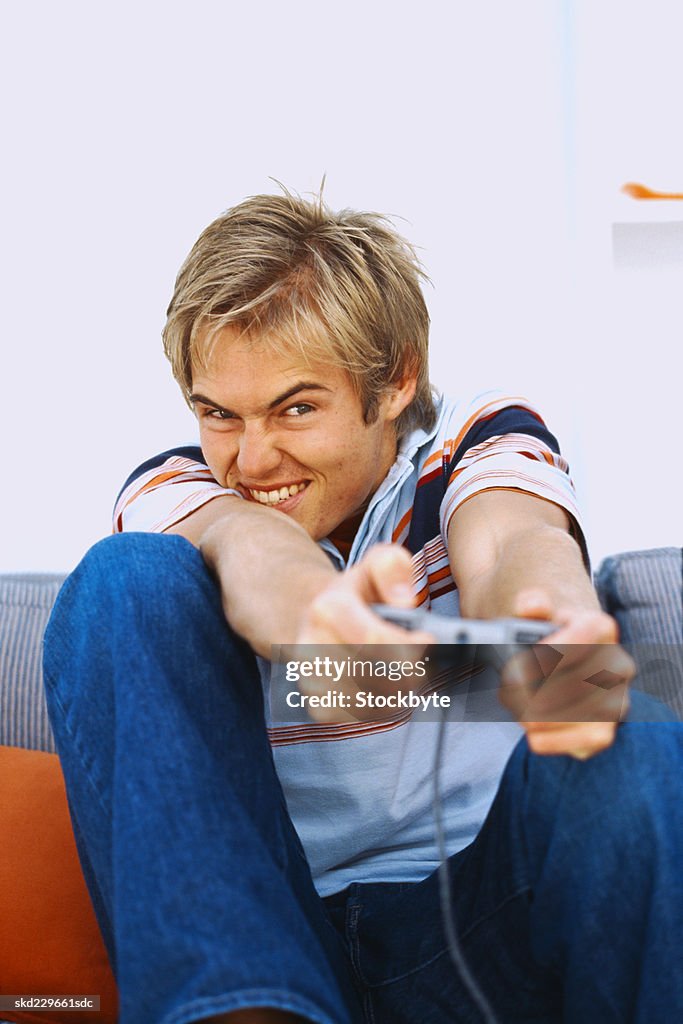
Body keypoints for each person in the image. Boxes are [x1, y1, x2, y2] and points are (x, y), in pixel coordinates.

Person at [43, 191, 682, 1024]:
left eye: (296, 408)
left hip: (478, 928)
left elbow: (509, 544)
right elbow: (248, 547)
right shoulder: (180, 486)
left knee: (629, 740)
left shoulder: (475, 441)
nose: (252, 456)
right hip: (271, 935)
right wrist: (321, 622)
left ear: (395, 380)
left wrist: (541, 633)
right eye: (218, 414)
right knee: (124, 578)